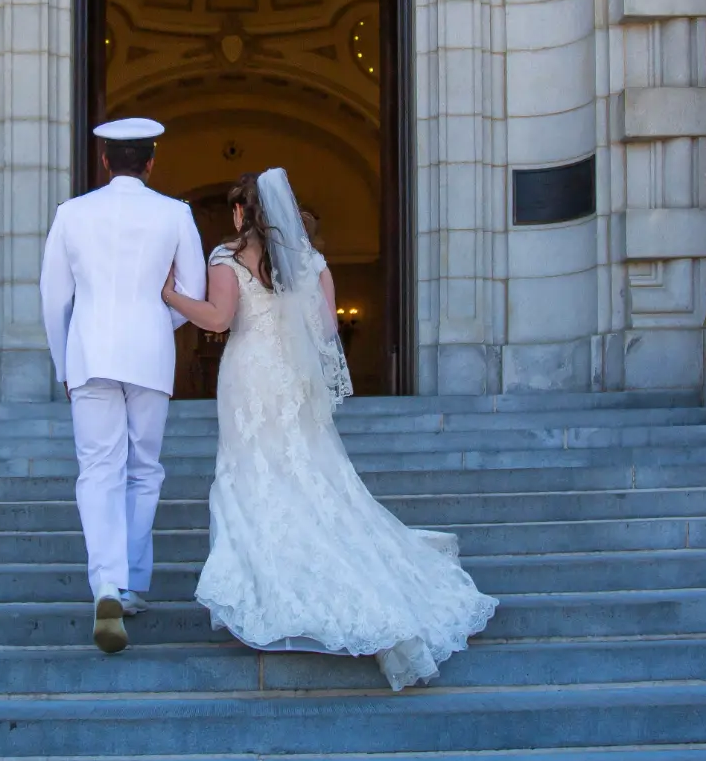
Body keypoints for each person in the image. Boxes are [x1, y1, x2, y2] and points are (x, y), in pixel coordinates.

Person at [161, 169, 498, 689]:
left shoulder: (226, 259)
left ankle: (264, 583)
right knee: (309, 470)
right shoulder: (311, 261)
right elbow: (323, 330)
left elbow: (218, 320)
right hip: (292, 381)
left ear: (240, 214)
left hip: (249, 377)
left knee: (249, 474)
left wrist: (171, 296)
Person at [39, 117, 206, 654]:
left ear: (105, 161)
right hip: (150, 354)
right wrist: (158, 327)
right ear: (151, 162)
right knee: (144, 469)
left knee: (98, 470)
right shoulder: (175, 213)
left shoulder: (72, 214)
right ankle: (130, 583)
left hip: (88, 352)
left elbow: (53, 299)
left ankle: (106, 583)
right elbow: (191, 293)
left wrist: (63, 362)